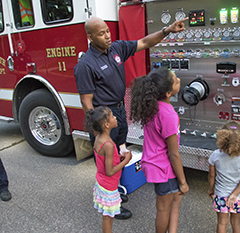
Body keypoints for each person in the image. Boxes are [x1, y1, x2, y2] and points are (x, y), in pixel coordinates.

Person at [74, 16, 187, 219]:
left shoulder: (116, 49)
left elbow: (144, 42)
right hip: (104, 117)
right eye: (101, 33)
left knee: (118, 152)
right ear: (90, 37)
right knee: (106, 159)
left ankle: (114, 190)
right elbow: (86, 101)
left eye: (107, 30)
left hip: (118, 111)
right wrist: (100, 130)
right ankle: (111, 205)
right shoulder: (86, 65)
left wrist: (167, 30)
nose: (107, 35)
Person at [129, 69, 189, 233]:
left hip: (153, 163)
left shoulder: (153, 107)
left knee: (170, 202)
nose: (178, 79)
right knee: (163, 208)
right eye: (175, 80)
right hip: (164, 168)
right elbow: (173, 153)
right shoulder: (169, 115)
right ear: (169, 93)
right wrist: (183, 181)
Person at [84, 106, 132, 233]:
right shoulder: (109, 145)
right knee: (108, 218)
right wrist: (126, 161)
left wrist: (119, 158)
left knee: (108, 216)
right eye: (112, 116)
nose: (116, 118)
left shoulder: (99, 138)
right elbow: (110, 171)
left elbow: (103, 160)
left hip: (101, 182)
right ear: (106, 124)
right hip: (109, 186)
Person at [207, 121, 240, 233]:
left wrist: (211, 189)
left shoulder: (216, 155)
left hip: (221, 194)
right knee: (236, 223)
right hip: (239, 197)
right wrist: (234, 194)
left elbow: (212, 175)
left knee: (222, 223)